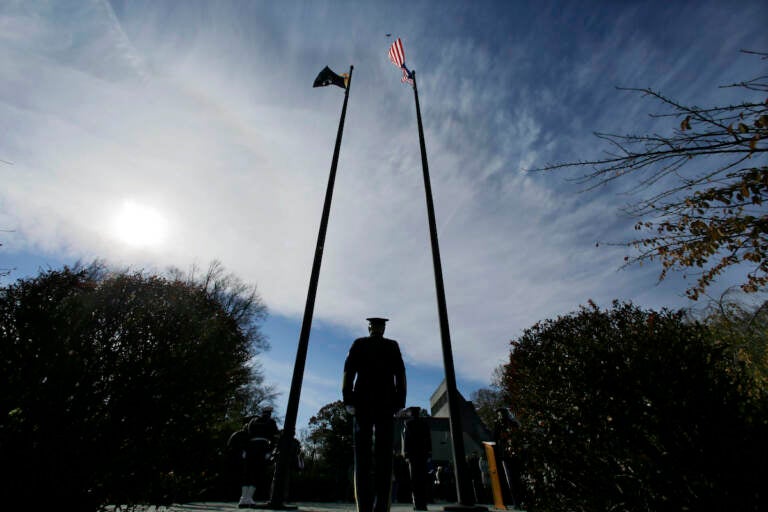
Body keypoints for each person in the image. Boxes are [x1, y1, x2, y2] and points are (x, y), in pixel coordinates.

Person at [343, 317, 407, 512]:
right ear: (382, 329)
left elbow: (349, 372)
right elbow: (400, 375)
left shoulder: (359, 344)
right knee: (384, 455)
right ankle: (382, 506)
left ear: (370, 327)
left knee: (362, 456)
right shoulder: (392, 346)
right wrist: (399, 401)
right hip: (386, 403)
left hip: (363, 402)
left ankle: (363, 505)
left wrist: (348, 399)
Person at [227, 408, 279, 508]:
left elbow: (247, 434)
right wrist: (270, 451)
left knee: (247, 472)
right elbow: (274, 436)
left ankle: (243, 498)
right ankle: (248, 497)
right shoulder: (271, 422)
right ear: (269, 414)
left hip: (251, 447)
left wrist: (245, 449)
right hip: (262, 447)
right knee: (256, 472)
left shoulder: (252, 421)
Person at [402, 406, 432, 511]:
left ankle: (417, 503)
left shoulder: (408, 424)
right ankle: (423, 504)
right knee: (423, 479)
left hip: (413, 455)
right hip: (422, 454)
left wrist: (406, 453)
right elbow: (428, 439)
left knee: (414, 480)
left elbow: (406, 440)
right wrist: (429, 452)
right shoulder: (424, 424)